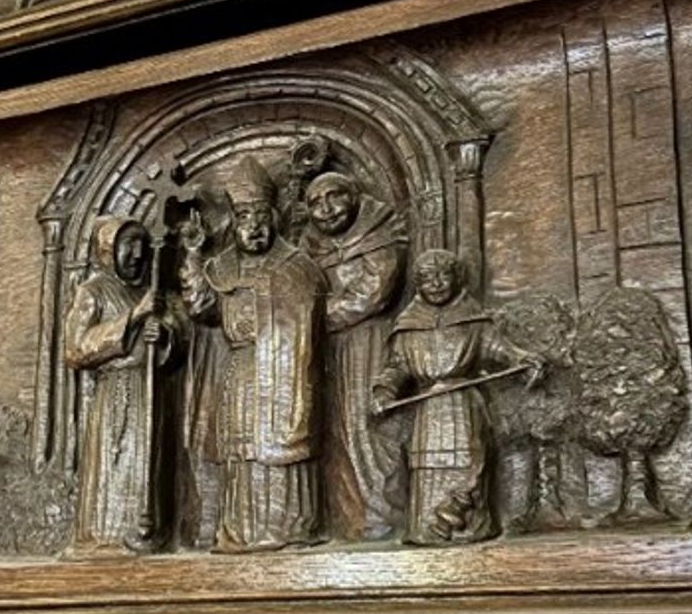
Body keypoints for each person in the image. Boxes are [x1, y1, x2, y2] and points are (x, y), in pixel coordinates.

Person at [180, 157, 327, 552]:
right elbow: (201, 307)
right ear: (234, 219)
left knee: (282, 452)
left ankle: (290, 528)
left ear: (274, 216)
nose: (254, 225)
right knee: (243, 453)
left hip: (288, 371)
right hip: (243, 371)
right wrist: (193, 256)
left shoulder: (296, 266)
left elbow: (306, 320)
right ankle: (242, 533)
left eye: (261, 215)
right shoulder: (222, 266)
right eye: (245, 216)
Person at [372, 250, 541, 546]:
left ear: (457, 278)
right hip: (427, 409)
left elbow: (500, 349)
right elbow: (397, 367)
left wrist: (522, 358)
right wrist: (384, 392)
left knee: (469, 464)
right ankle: (427, 529)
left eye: (443, 275)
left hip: (463, 406)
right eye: (426, 278)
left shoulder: (471, 318)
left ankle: (467, 527)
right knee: (428, 468)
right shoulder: (408, 323)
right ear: (418, 284)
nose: (436, 284)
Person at [64, 216, 181, 552]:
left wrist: (166, 336)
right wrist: (132, 318)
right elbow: (76, 349)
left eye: (142, 245)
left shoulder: (152, 291)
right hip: (116, 394)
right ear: (107, 250)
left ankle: (148, 535)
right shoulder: (93, 292)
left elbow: (177, 333)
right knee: (114, 465)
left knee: (149, 463)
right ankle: (104, 538)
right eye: (128, 245)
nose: (137, 253)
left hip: (151, 393)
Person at [300, 171, 407, 540]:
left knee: (370, 430)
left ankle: (382, 520)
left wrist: (313, 316)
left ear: (355, 198)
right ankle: (346, 521)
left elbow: (373, 293)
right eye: (315, 203)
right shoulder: (310, 249)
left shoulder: (376, 236)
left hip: (367, 345)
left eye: (334, 197)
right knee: (335, 434)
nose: (326, 210)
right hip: (324, 352)